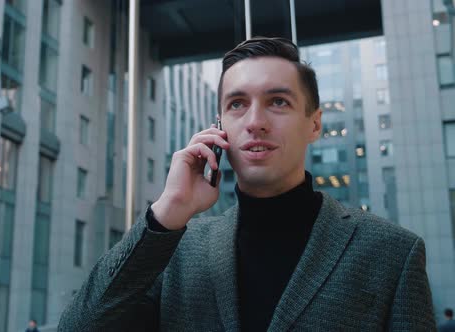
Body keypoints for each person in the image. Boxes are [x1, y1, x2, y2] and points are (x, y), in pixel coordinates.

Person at [58, 37, 435, 331]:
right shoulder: (176, 250)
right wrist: (166, 213)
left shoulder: (391, 254)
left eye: (278, 102)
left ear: (315, 124)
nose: (255, 121)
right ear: (218, 126)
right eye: (237, 104)